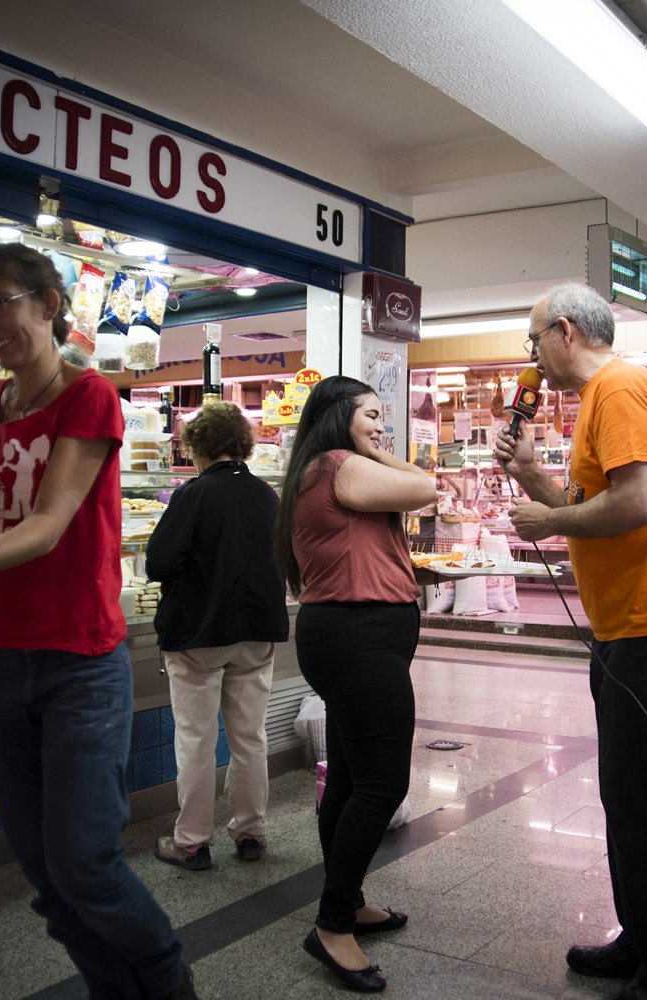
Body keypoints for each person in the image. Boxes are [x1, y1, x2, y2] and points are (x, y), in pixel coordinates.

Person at [0, 243, 197, 1000]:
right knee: (49, 881)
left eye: (3, 302)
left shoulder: (89, 396)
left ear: (48, 303)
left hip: (75, 663)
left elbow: (50, 522)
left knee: (85, 863)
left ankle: (166, 983)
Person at [492, 283, 647, 1000]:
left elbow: (635, 503)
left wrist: (547, 525)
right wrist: (532, 475)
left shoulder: (617, 389)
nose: (533, 358)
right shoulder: (603, 396)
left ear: (564, 331)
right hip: (630, 625)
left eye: (535, 341)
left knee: (640, 803)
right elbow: (599, 504)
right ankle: (643, 940)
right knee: (627, 797)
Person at [274, 374, 434, 994]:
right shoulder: (340, 465)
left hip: (351, 635)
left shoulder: (318, 470)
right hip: (357, 636)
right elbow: (425, 487)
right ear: (338, 416)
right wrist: (370, 447)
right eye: (370, 413)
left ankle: (346, 897)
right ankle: (333, 925)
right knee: (382, 783)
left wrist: (369, 441)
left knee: (346, 779)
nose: (379, 425)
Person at [145, 400, 289, 872]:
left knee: (196, 739)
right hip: (256, 632)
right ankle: (250, 833)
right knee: (250, 737)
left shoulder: (194, 494)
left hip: (198, 634)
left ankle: (191, 841)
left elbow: (158, 564)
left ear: (197, 448)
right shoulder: (267, 496)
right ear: (243, 445)